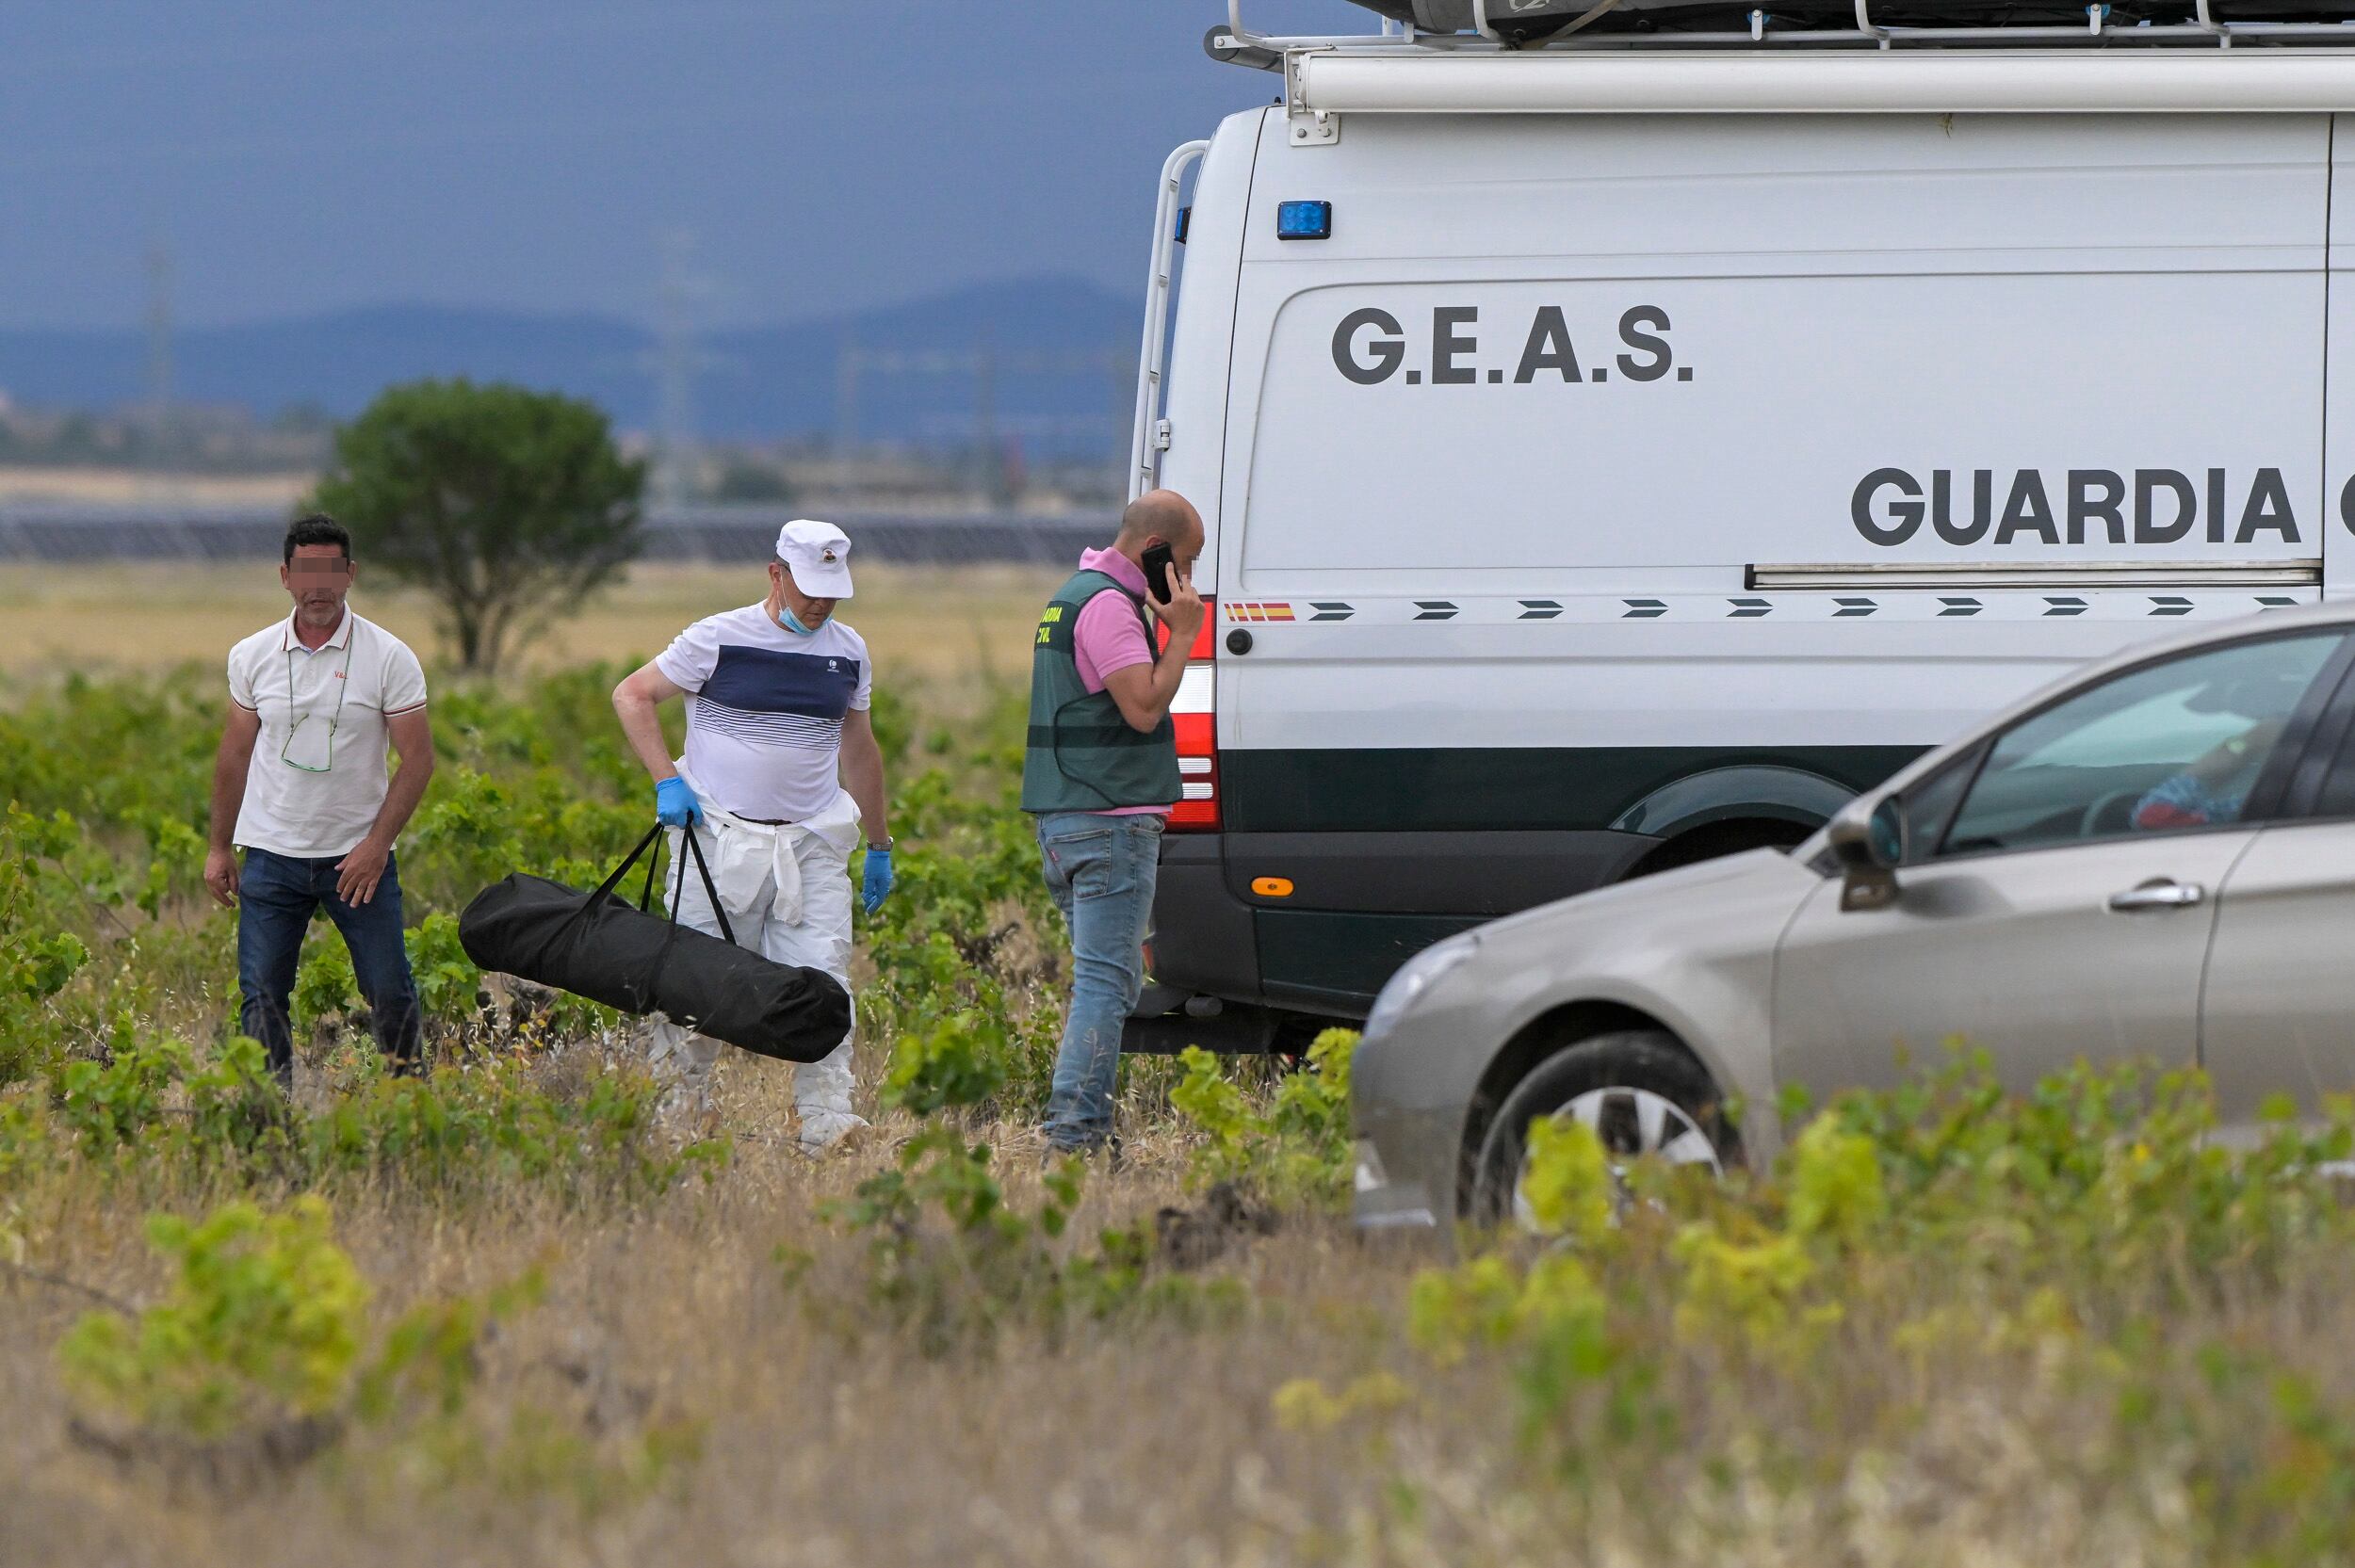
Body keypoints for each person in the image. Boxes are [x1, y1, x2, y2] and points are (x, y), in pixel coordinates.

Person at [610, 519, 892, 1152]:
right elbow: (632, 695)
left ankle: (827, 1118)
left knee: (824, 975)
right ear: (776, 573)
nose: (820, 604)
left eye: (832, 591)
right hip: (719, 842)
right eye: (809, 587)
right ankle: (678, 1111)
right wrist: (666, 782)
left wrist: (879, 844)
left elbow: (860, 747)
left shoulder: (848, 651)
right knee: (696, 977)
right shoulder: (716, 638)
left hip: (812, 843)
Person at [203, 513, 436, 1088]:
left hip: (357, 860)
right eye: (306, 572)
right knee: (261, 994)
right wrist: (218, 849)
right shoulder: (251, 656)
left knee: (388, 987)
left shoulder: (389, 657)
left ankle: (409, 1104)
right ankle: (266, 1118)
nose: (319, 586)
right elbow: (233, 756)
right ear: (285, 576)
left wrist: (376, 847)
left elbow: (419, 760)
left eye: (331, 570)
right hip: (272, 854)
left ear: (350, 574)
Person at [1021, 489, 1208, 1160]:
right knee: (1105, 985)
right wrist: (1184, 633)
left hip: (1068, 819)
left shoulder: (1073, 596)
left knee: (1111, 980)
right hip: (1109, 823)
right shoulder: (1107, 606)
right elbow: (1145, 707)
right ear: (1154, 552)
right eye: (1185, 562)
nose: (1189, 580)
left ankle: (1081, 1130)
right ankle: (1074, 1138)